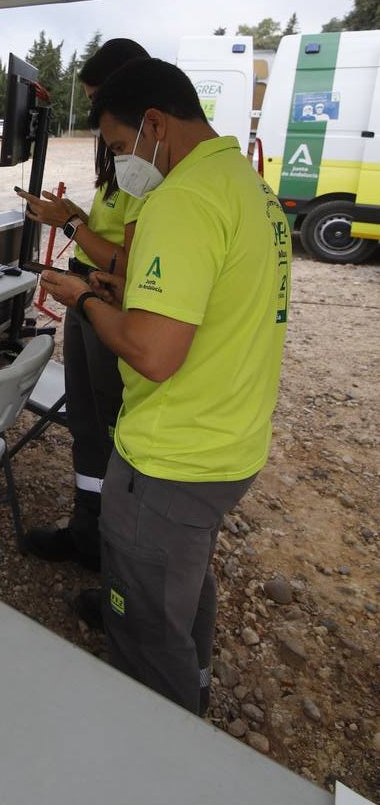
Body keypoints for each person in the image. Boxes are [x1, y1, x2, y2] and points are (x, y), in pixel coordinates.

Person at [41, 58, 290, 714]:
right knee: (183, 584)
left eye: (121, 146)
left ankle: (166, 742)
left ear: (154, 123)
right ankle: (197, 687)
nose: (122, 161)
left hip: (172, 457)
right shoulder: (246, 185)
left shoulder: (182, 199)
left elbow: (152, 354)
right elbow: (208, 302)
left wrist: (83, 301)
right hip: (228, 443)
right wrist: (118, 289)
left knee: (145, 629)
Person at [15, 38, 149, 572]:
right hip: (90, 301)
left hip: (110, 306)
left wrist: (69, 224)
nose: (96, 119)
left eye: (100, 103)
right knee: (89, 426)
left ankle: (111, 543)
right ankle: (88, 529)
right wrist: (71, 214)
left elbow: (127, 262)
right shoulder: (122, 165)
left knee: (109, 425)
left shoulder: (144, 170)